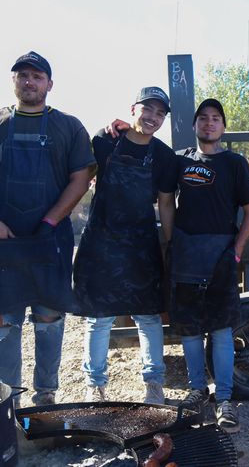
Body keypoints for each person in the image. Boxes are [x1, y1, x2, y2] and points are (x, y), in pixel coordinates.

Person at [0, 51, 95, 406]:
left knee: (49, 319)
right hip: (4, 242)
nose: (29, 81)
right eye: (22, 76)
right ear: (13, 82)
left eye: (36, 76)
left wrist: (51, 220)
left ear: (49, 84)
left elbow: (82, 177)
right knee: (4, 322)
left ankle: (45, 396)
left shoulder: (69, 126)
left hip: (51, 241)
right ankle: (9, 400)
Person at [73, 87, 176, 404]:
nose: (153, 117)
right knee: (99, 318)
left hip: (141, 246)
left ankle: (154, 384)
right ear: (133, 109)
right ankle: (95, 385)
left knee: (148, 318)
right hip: (102, 244)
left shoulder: (163, 156)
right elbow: (78, 178)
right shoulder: (103, 142)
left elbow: (166, 203)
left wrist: (170, 244)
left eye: (160, 113)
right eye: (148, 109)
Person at [167, 98, 249, 433]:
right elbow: (162, 197)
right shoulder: (178, 161)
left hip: (221, 254)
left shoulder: (235, 163)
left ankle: (224, 400)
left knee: (220, 331)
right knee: (190, 330)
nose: (209, 123)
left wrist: (235, 252)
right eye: (203, 118)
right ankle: (196, 392)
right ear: (194, 125)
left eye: (216, 118)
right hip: (185, 253)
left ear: (223, 126)